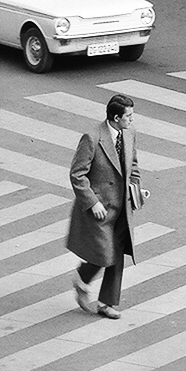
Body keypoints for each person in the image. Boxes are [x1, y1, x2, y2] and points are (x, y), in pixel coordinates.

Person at [66, 92, 144, 318]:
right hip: (99, 209)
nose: (132, 119)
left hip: (121, 206)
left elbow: (133, 165)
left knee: (117, 254)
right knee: (104, 253)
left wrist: (136, 190)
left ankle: (107, 303)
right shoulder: (92, 138)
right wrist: (92, 202)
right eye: (128, 116)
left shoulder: (129, 133)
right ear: (116, 118)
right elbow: (77, 174)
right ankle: (82, 277)